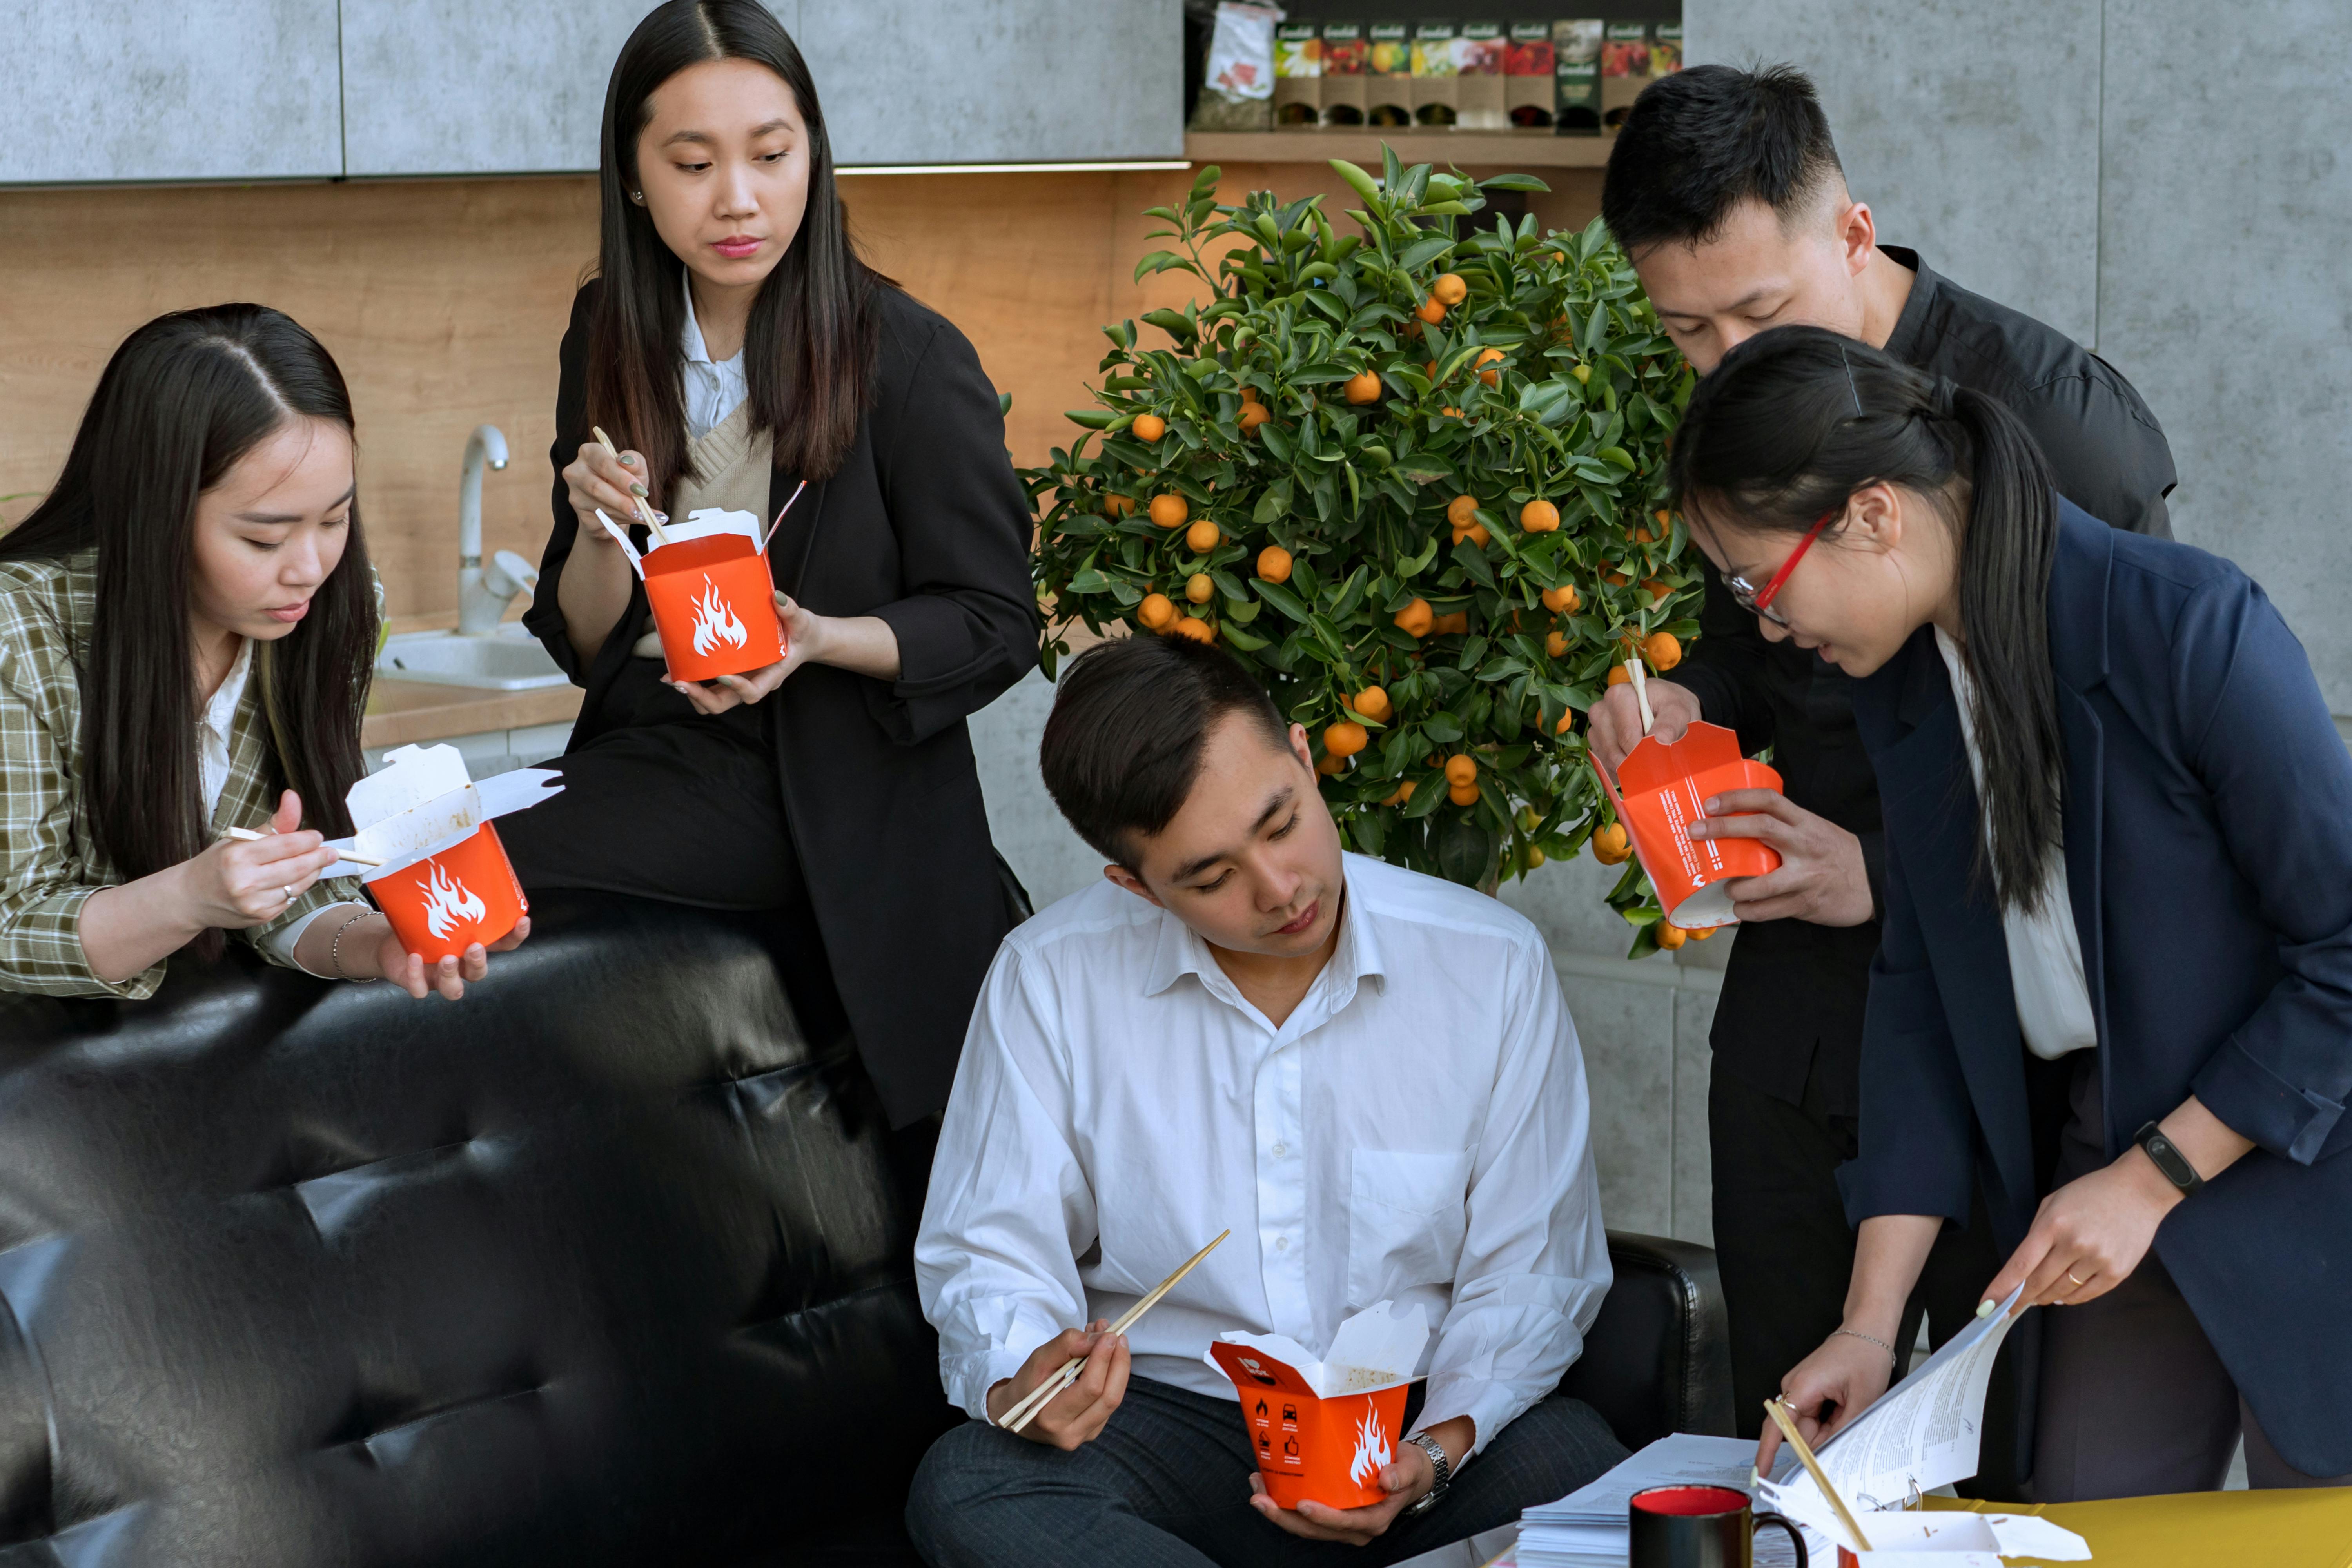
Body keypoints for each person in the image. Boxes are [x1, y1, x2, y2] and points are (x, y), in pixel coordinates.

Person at [1586, 62, 2180, 1475]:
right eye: (1688, 328)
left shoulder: (2067, 433)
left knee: (2007, 1468)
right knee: (1787, 1440)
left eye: (1759, 313)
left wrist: (1891, 872)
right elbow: (1748, 642)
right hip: (1802, 1005)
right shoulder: (1742, 402)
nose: (1727, 360)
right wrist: (1678, 689)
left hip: (2024, 1042)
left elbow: (2140, 812)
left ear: (1854, 233)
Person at [1675, 326, 2352, 1496]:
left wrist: (2149, 1181)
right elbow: (1926, 993)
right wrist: (1869, 1328)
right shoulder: (1905, 689)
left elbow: (2345, 949)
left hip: (2303, 1152)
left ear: (1874, 515)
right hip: (2101, 1166)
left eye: (1757, 585)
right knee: (2074, 1527)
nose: (1767, 630)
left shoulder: (2187, 627)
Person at [905, 635, 1627, 1568]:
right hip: (1175, 1426)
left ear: (1302, 754)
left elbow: (1531, 1269)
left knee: (1581, 1466)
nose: (1281, 889)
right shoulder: (1051, 977)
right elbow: (988, 1248)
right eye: (1211, 878)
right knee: (972, 1481)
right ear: (1136, 886)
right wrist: (1026, 1381)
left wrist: (1436, 1453)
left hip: (1410, 1417)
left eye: (1281, 822)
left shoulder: (1489, 962)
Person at [512, 0, 1036, 1127]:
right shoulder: (606, 332)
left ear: (814, 151)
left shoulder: (908, 355)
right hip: (657, 745)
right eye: (693, 163)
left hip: (826, 782)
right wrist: (602, 528)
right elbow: (589, 639)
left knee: (482, 866)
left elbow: (996, 619)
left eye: (771, 153)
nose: (738, 198)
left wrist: (816, 640)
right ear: (636, 178)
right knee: (442, 858)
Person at [0, 305, 522, 1000]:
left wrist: (380, 945)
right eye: (265, 539)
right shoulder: (20, 634)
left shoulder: (333, 609)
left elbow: (294, 892)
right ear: (156, 514)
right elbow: (12, 926)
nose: (310, 567)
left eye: (334, 519)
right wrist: (189, 895)